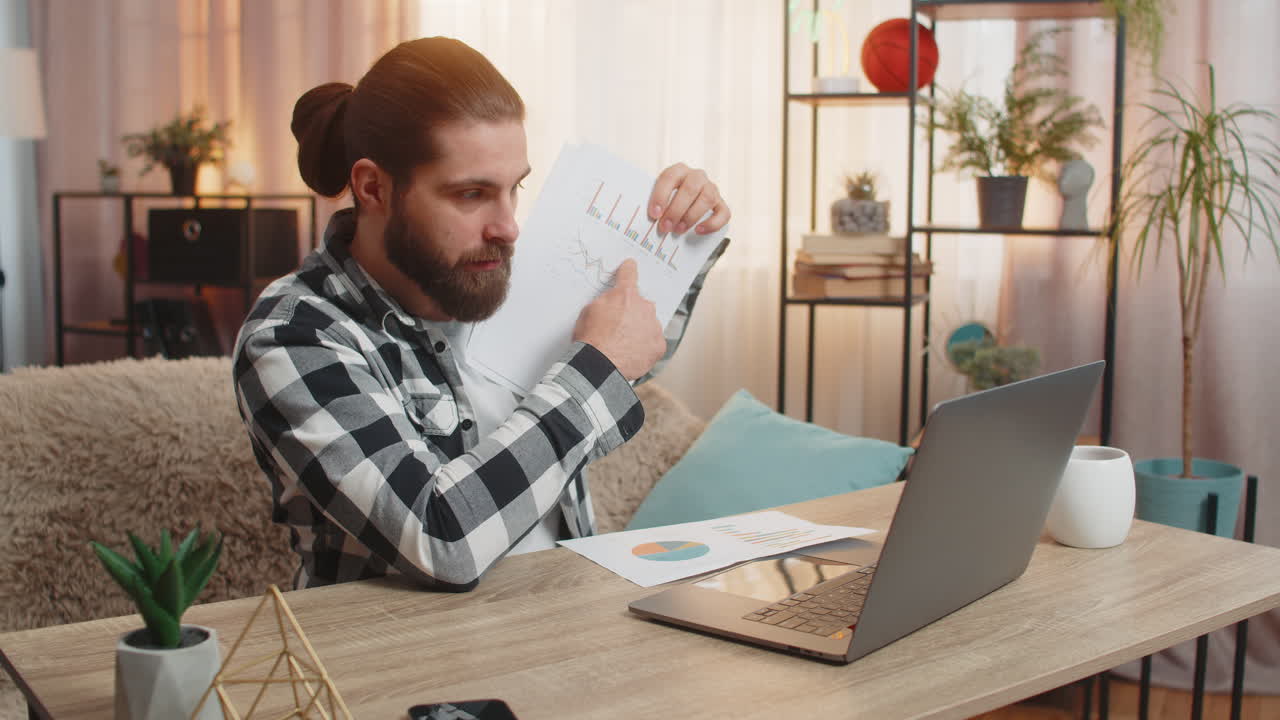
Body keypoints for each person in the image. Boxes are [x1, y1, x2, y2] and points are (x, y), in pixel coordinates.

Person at [232, 37, 730, 591]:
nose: (509, 226)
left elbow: (633, 353)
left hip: (573, 640)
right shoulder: (294, 334)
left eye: (514, 188)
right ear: (373, 187)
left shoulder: (488, 269)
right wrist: (594, 369)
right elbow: (440, 537)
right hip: (409, 667)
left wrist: (687, 236)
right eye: (471, 194)